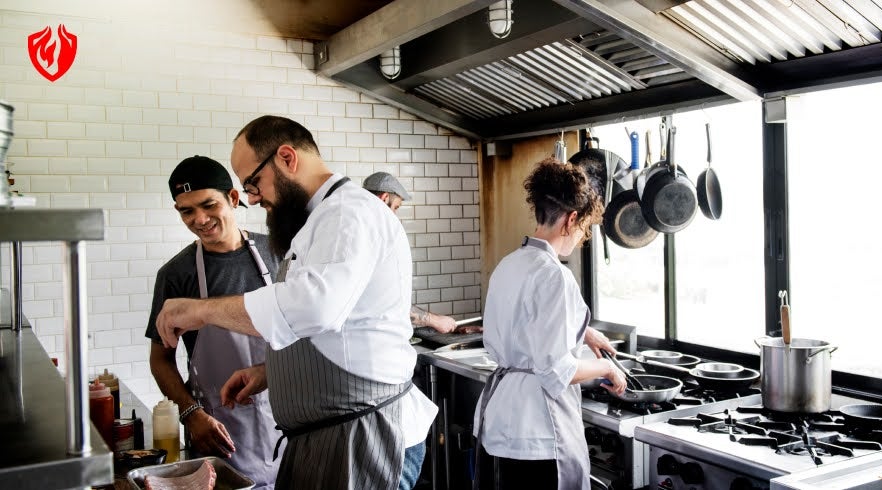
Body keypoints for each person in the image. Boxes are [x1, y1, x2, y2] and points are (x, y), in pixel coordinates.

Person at [154, 116, 436, 490]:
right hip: (333, 435)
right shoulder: (318, 222)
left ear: (286, 158)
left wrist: (201, 309)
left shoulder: (348, 213)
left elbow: (313, 308)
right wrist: (271, 371)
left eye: (253, 183)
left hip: (364, 436)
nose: (253, 198)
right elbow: (339, 328)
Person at [473, 158, 627, 490]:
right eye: (585, 228)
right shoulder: (556, 277)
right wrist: (608, 370)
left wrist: (584, 331)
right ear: (572, 219)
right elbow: (557, 370)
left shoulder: (510, 264)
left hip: (500, 420)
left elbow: (527, 321)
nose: (582, 237)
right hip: (538, 430)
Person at [145, 155, 280, 488]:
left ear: (233, 198)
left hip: (287, 418)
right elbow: (161, 360)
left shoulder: (277, 252)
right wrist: (192, 415)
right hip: (220, 431)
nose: (200, 219)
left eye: (208, 205)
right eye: (186, 211)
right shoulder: (176, 274)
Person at [362, 171, 463, 335]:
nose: (395, 216)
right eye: (395, 208)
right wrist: (434, 320)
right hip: (374, 342)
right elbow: (387, 302)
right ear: (384, 198)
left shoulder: (361, 232)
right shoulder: (373, 239)